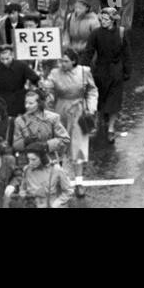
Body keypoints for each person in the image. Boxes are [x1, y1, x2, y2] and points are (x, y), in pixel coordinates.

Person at [45, 48, 98, 197]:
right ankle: (57, 180)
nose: (62, 64)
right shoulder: (54, 73)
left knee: (78, 146)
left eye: (66, 61)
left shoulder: (84, 71)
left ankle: (79, 183)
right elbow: (47, 90)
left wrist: (91, 108)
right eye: (60, 60)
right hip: (59, 111)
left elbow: (92, 91)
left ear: (74, 61)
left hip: (78, 113)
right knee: (58, 147)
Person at [89, 7, 129, 141]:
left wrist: (128, 71)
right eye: (101, 19)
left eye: (106, 19)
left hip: (116, 71)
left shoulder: (121, 33)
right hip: (100, 71)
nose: (103, 22)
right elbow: (89, 52)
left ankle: (111, 129)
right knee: (101, 100)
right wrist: (82, 68)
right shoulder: (95, 34)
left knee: (114, 102)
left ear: (113, 21)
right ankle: (101, 120)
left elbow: (127, 54)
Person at [0, 44, 39, 119]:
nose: (5, 61)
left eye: (7, 58)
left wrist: (35, 87)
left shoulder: (21, 65)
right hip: (3, 98)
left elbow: (34, 78)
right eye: (2, 59)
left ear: (12, 55)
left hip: (19, 98)